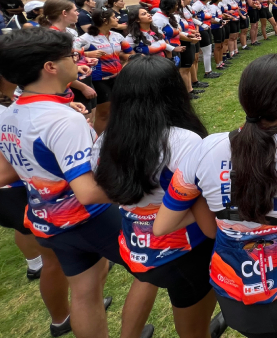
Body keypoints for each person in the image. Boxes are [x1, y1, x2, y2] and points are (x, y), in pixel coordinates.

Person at [155, 53, 277, 338]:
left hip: (237, 292)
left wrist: (217, 209)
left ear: (243, 97)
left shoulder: (204, 149)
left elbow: (162, 225)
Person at [0, 28, 156, 338]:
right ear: (50, 67)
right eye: (72, 56)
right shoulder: (61, 119)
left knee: (85, 290)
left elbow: (8, 171)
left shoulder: (13, 112)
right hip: (90, 218)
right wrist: (146, 186)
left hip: (47, 221)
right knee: (153, 270)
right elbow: (87, 192)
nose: (79, 60)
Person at [93, 56, 225, 338]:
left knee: (146, 283)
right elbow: (209, 226)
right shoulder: (183, 142)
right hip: (186, 253)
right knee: (194, 330)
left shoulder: (104, 141)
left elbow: (113, 192)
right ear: (173, 92)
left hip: (137, 249)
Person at [0, 70, 72, 335]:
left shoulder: (10, 109)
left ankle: (36, 268)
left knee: (34, 240)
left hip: (21, 192)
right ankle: (62, 317)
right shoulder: (8, 113)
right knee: (56, 260)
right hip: (23, 190)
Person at [78, 8, 132, 134]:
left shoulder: (117, 35)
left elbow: (128, 52)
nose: (117, 19)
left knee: (119, 109)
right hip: (99, 79)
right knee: (104, 113)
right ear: (104, 21)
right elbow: (70, 54)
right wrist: (87, 53)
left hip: (118, 77)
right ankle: (100, 142)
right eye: (114, 17)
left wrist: (131, 58)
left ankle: (117, 135)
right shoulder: (87, 38)